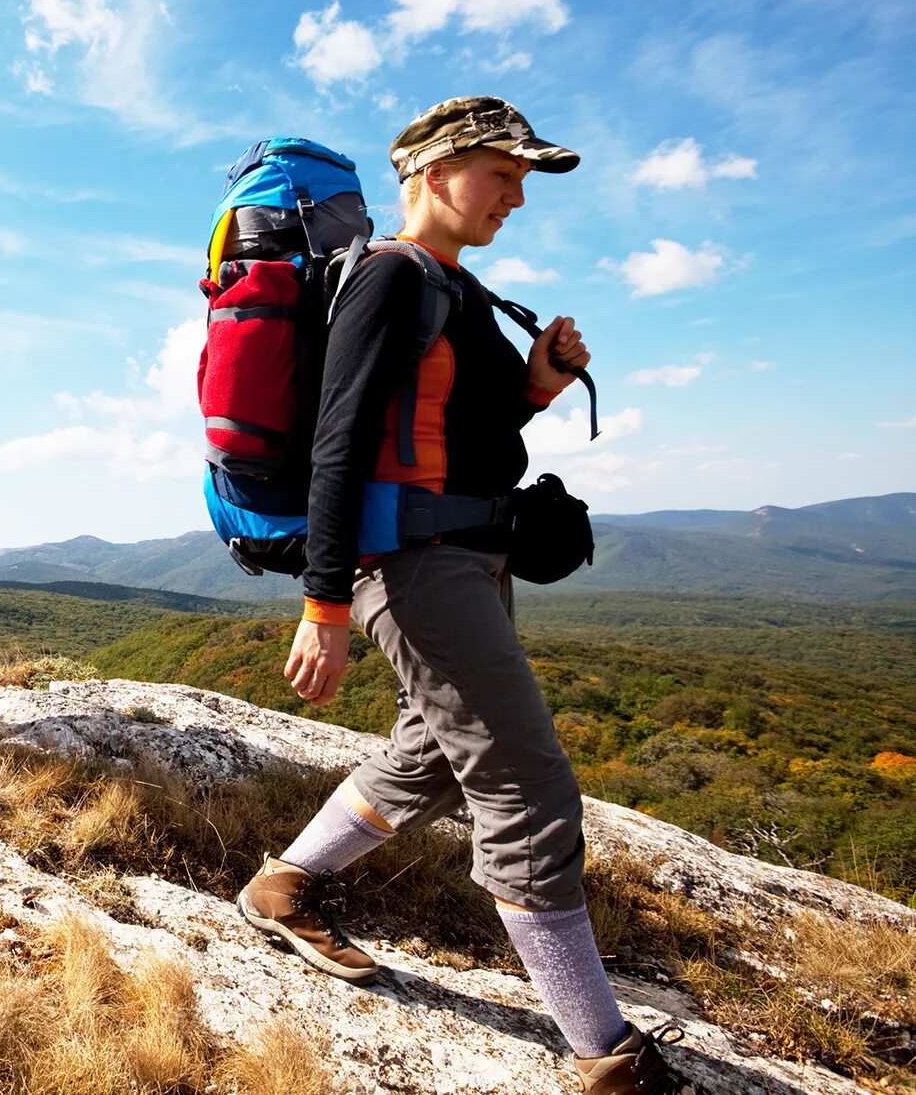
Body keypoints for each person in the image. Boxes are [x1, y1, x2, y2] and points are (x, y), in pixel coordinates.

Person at [235, 98, 694, 1095]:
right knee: (525, 782)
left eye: (521, 180)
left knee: (435, 753)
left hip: (464, 555)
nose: (516, 197)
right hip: (409, 566)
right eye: (503, 174)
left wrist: (539, 381)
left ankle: (282, 887)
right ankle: (604, 1054)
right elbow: (338, 446)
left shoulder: (457, 287)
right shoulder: (389, 281)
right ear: (435, 172)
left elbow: (463, 425)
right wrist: (321, 604)